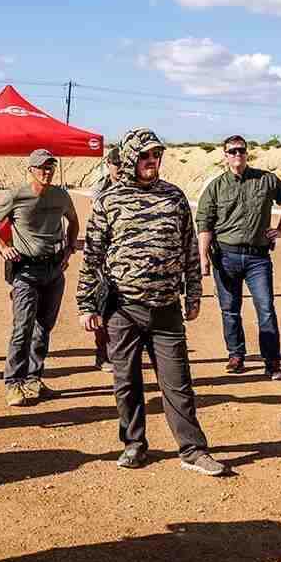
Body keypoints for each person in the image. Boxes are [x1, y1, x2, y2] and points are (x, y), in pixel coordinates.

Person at [77, 128, 226, 477]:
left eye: (156, 155)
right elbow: (93, 255)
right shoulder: (109, 200)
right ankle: (134, 444)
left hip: (166, 309)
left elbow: (190, 248)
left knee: (177, 382)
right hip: (122, 309)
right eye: (145, 156)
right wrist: (86, 304)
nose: (152, 161)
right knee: (126, 381)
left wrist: (194, 293)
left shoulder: (174, 197)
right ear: (130, 158)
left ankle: (193, 449)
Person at [0, 149, 79, 407]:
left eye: (50, 167)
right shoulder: (16, 196)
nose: (47, 172)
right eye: (41, 168)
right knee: (22, 327)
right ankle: (14, 383)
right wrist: (3, 247)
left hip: (54, 270)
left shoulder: (61, 195)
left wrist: (69, 248)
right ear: (31, 170)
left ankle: (34, 378)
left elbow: (74, 221)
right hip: (25, 271)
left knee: (44, 327)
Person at [197, 135, 281, 380]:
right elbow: (204, 224)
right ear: (225, 155)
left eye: (241, 150)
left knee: (266, 308)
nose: (237, 155)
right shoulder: (216, 187)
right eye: (232, 151)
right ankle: (236, 355)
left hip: (258, 258)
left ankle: (272, 363)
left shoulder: (266, 180)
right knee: (230, 310)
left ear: (247, 153)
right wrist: (203, 258)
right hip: (225, 256)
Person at [90, 145, 122, 372]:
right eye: (115, 164)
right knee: (103, 304)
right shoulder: (100, 190)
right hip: (105, 257)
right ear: (108, 165)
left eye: (122, 163)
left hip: (129, 258)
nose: (119, 168)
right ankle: (102, 354)